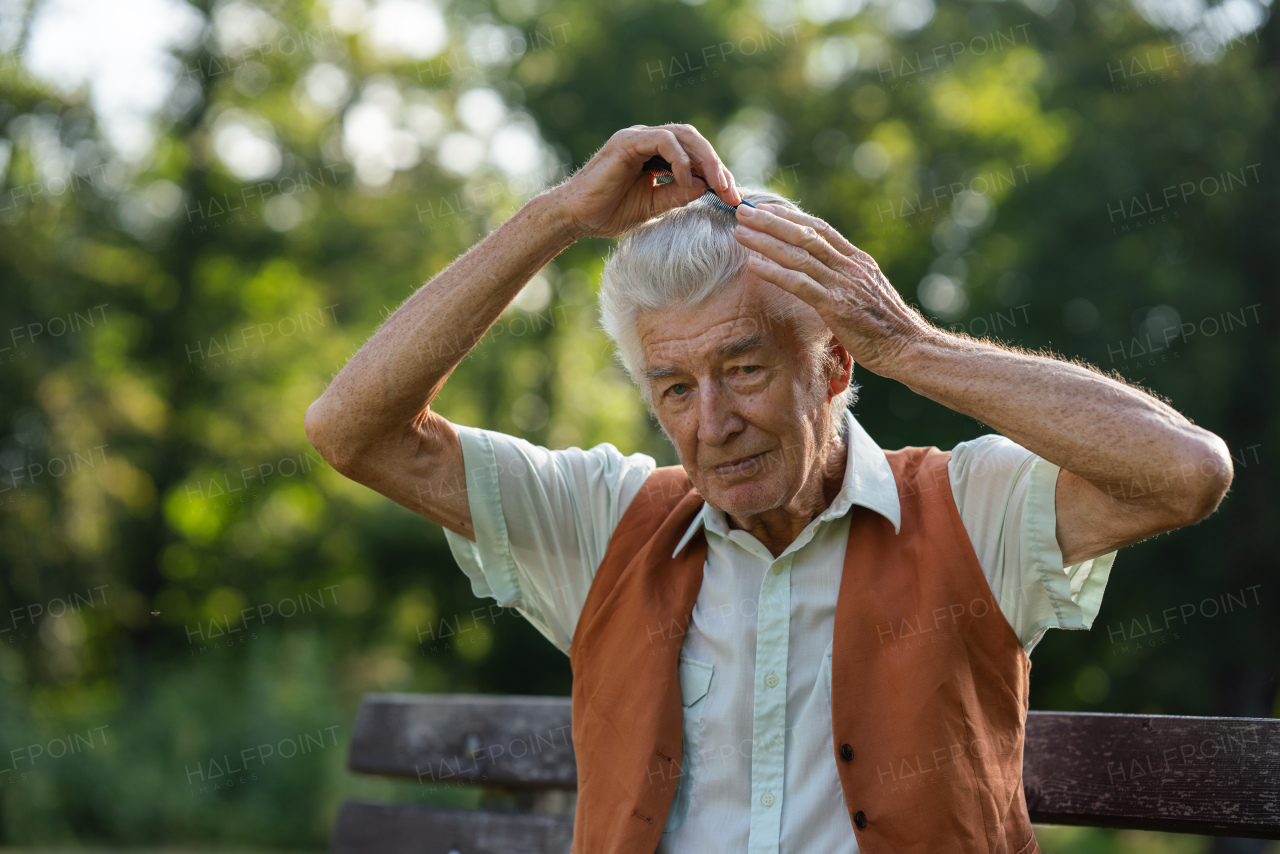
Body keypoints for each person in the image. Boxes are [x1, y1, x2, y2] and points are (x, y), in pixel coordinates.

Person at [304, 123, 1233, 854]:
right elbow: (352, 431)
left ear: (832, 366)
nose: (711, 422)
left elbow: (1185, 472)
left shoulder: (969, 509)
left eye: (743, 369)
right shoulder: (602, 525)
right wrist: (558, 218)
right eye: (675, 387)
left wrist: (912, 346)